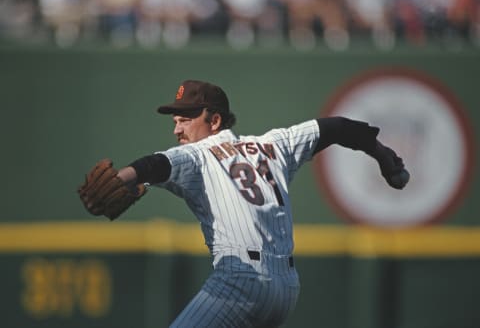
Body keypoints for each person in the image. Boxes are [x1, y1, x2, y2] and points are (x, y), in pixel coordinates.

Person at [79, 79, 409, 327]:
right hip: (286, 290)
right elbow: (338, 128)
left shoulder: (198, 154)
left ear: (216, 121)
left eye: (186, 117)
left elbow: (154, 165)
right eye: (175, 119)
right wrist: (385, 157)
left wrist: (122, 178)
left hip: (239, 281)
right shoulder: (274, 144)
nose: (177, 127)